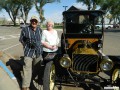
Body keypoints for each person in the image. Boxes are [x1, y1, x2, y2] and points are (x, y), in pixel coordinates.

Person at [19, 16, 43, 90]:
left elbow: (42, 40)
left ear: (37, 22)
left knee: (37, 67)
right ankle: (25, 86)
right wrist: (25, 46)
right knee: (27, 68)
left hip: (38, 52)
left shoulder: (40, 30)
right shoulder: (25, 29)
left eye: (35, 21)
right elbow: (21, 39)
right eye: (33, 21)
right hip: (28, 52)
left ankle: (34, 79)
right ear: (30, 21)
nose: (34, 22)